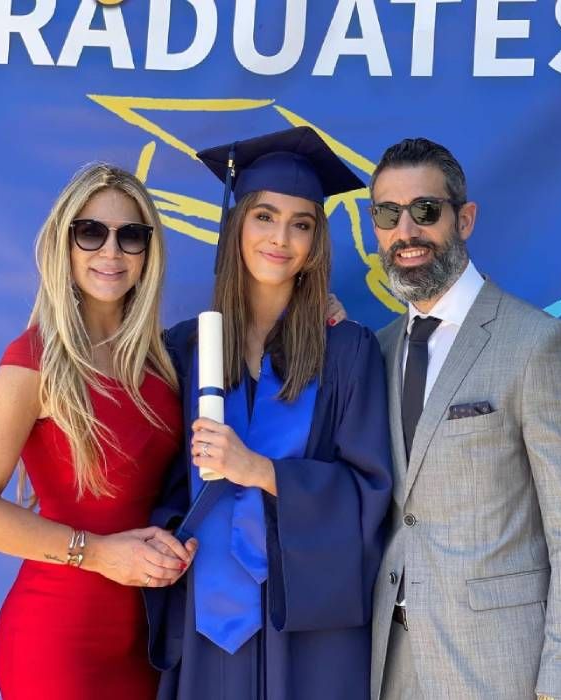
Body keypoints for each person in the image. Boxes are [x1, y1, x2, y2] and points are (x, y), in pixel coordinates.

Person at [144, 126, 394, 700]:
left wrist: (261, 471)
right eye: (263, 216)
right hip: (206, 614)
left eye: (301, 223)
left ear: (315, 244)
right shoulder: (182, 349)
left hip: (306, 620)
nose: (280, 238)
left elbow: (371, 491)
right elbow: (158, 484)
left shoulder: (348, 351)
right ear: (235, 227)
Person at [368, 138, 561, 699]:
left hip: (504, 669)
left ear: (465, 218)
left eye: (425, 210)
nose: (407, 231)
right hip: (390, 668)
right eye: (388, 213)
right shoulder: (375, 353)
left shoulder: (541, 346)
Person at [0, 164, 196, 700]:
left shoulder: (163, 364)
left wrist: (322, 311)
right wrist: (101, 554)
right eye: (91, 232)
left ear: (149, 253)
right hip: (58, 639)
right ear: (65, 243)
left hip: (147, 638)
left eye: (131, 236)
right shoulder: (35, 361)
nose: (111, 252)